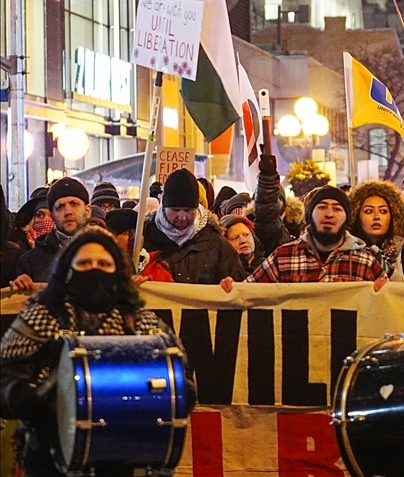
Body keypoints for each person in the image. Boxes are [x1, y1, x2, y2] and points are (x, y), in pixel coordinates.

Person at [0, 227, 193, 477]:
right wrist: (28, 398)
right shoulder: (41, 316)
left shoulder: (141, 322)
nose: (94, 269)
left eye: (103, 263)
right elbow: (4, 377)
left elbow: (180, 374)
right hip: (51, 459)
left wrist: (181, 392)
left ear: (117, 273)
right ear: (66, 271)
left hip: (127, 458)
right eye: (84, 263)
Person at [223, 185, 385, 290]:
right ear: (309, 215)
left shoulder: (365, 261)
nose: (329, 214)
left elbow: (391, 302)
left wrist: (383, 291)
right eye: (322, 207)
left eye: (337, 209)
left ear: (347, 218)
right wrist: (230, 289)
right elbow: (248, 292)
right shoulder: (283, 257)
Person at [141, 169, 244, 284]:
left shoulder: (216, 244)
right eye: (175, 210)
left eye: (188, 210)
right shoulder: (143, 239)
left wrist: (230, 284)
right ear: (163, 207)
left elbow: (238, 285)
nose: (182, 217)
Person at [11, 178, 93, 289]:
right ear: (53, 215)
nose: (68, 212)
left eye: (74, 204)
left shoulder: (108, 253)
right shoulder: (30, 262)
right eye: (60, 207)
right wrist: (21, 287)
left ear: (88, 211)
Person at [347, 179, 404, 281]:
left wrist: (389, 271)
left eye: (383, 211)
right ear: (356, 216)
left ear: (394, 216)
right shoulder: (345, 255)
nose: (377, 216)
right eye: (368, 211)